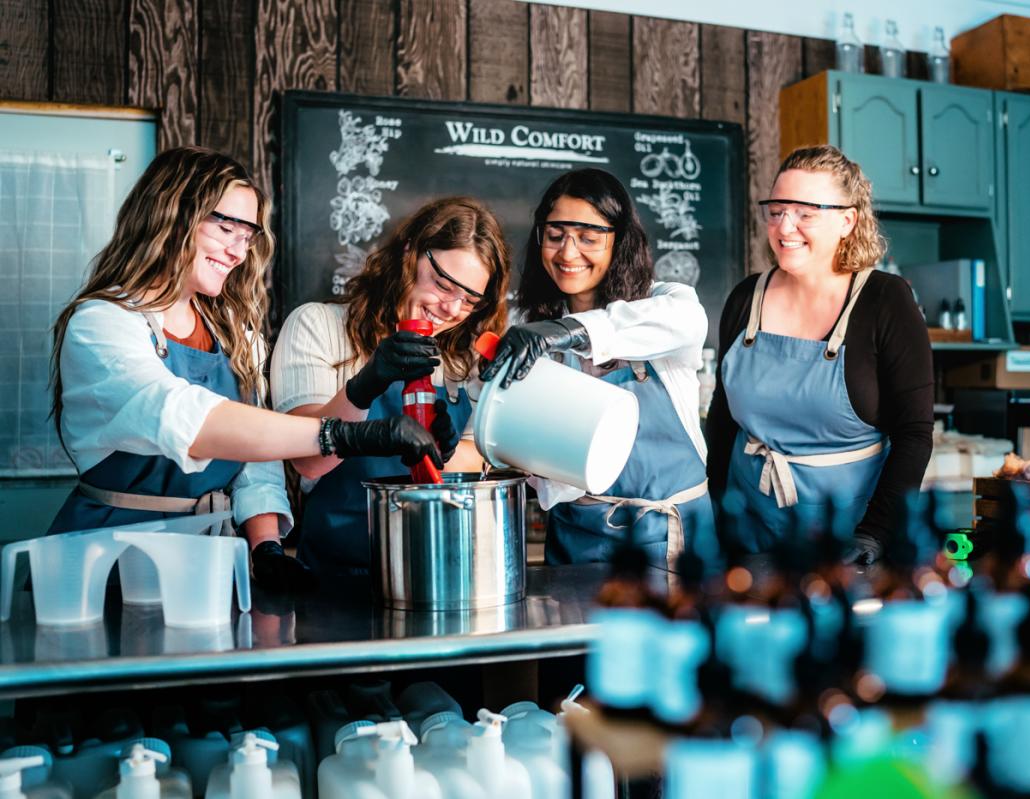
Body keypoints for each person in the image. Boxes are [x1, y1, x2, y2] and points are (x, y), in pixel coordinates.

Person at [48, 147, 449, 591]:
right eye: (225, 228)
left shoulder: (235, 333)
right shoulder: (102, 322)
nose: (238, 252)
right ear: (170, 214)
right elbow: (187, 419)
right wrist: (343, 434)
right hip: (110, 560)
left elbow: (253, 464)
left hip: (209, 562)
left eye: (248, 236)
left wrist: (266, 548)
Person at [706, 144, 934, 565]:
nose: (784, 226)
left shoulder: (885, 300)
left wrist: (874, 535)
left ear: (848, 220)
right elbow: (722, 423)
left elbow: (914, 435)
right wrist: (714, 518)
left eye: (805, 213)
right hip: (749, 538)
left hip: (851, 540)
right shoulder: (746, 298)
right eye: (775, 211)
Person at [480, 168, 714, 568]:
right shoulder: (525, 325)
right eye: (555, 236)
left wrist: (566, 332)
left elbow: (688, 320)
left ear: (619, 242)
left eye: (588, 238)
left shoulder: (665, 302)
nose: (568, 254)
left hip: (667, 537)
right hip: (574, 535)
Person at [270, 197, 509, 578]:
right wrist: (366, 384)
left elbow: (480, 455)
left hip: (438, 569)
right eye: (445, 284)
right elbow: (307, 462)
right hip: (337, 576)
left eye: (470, 301)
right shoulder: (319, 326)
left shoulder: (464, 360)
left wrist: (443, 457)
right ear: (409, 253)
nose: (451, 308)